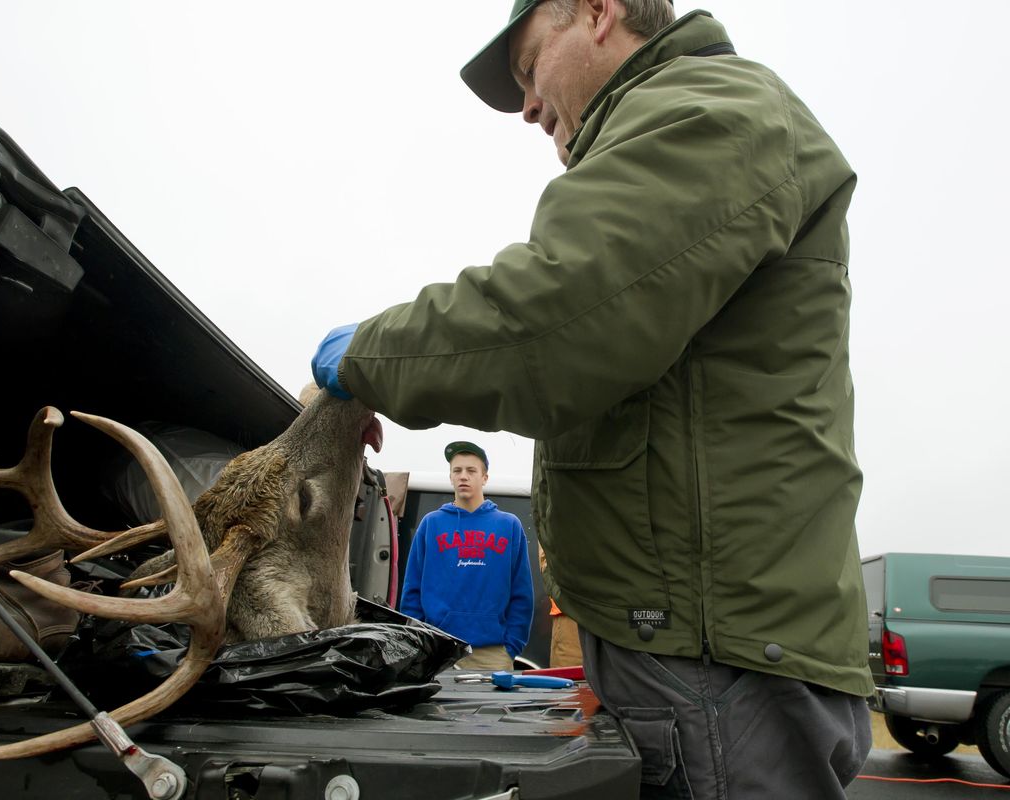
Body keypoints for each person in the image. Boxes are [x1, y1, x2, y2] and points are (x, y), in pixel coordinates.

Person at [311, 0, 873, 796]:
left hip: (716, 670)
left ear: (600, 12)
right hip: (697, 656)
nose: (531, 105)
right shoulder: (687, 119)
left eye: (530, 66)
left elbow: (553, 325)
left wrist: (367, 355)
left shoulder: (710, 111)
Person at [399, 441, 534, 672]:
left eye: (471, 471)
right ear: (450, 477)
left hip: (492, 653)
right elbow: (412, 591)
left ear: (485, 478)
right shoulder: (431, 524)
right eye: (457, 470)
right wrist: (418, 643)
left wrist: (511, 647)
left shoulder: (508, 525)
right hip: (437, 651)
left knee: (491, 710)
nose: (463, 476)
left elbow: (522, 593)